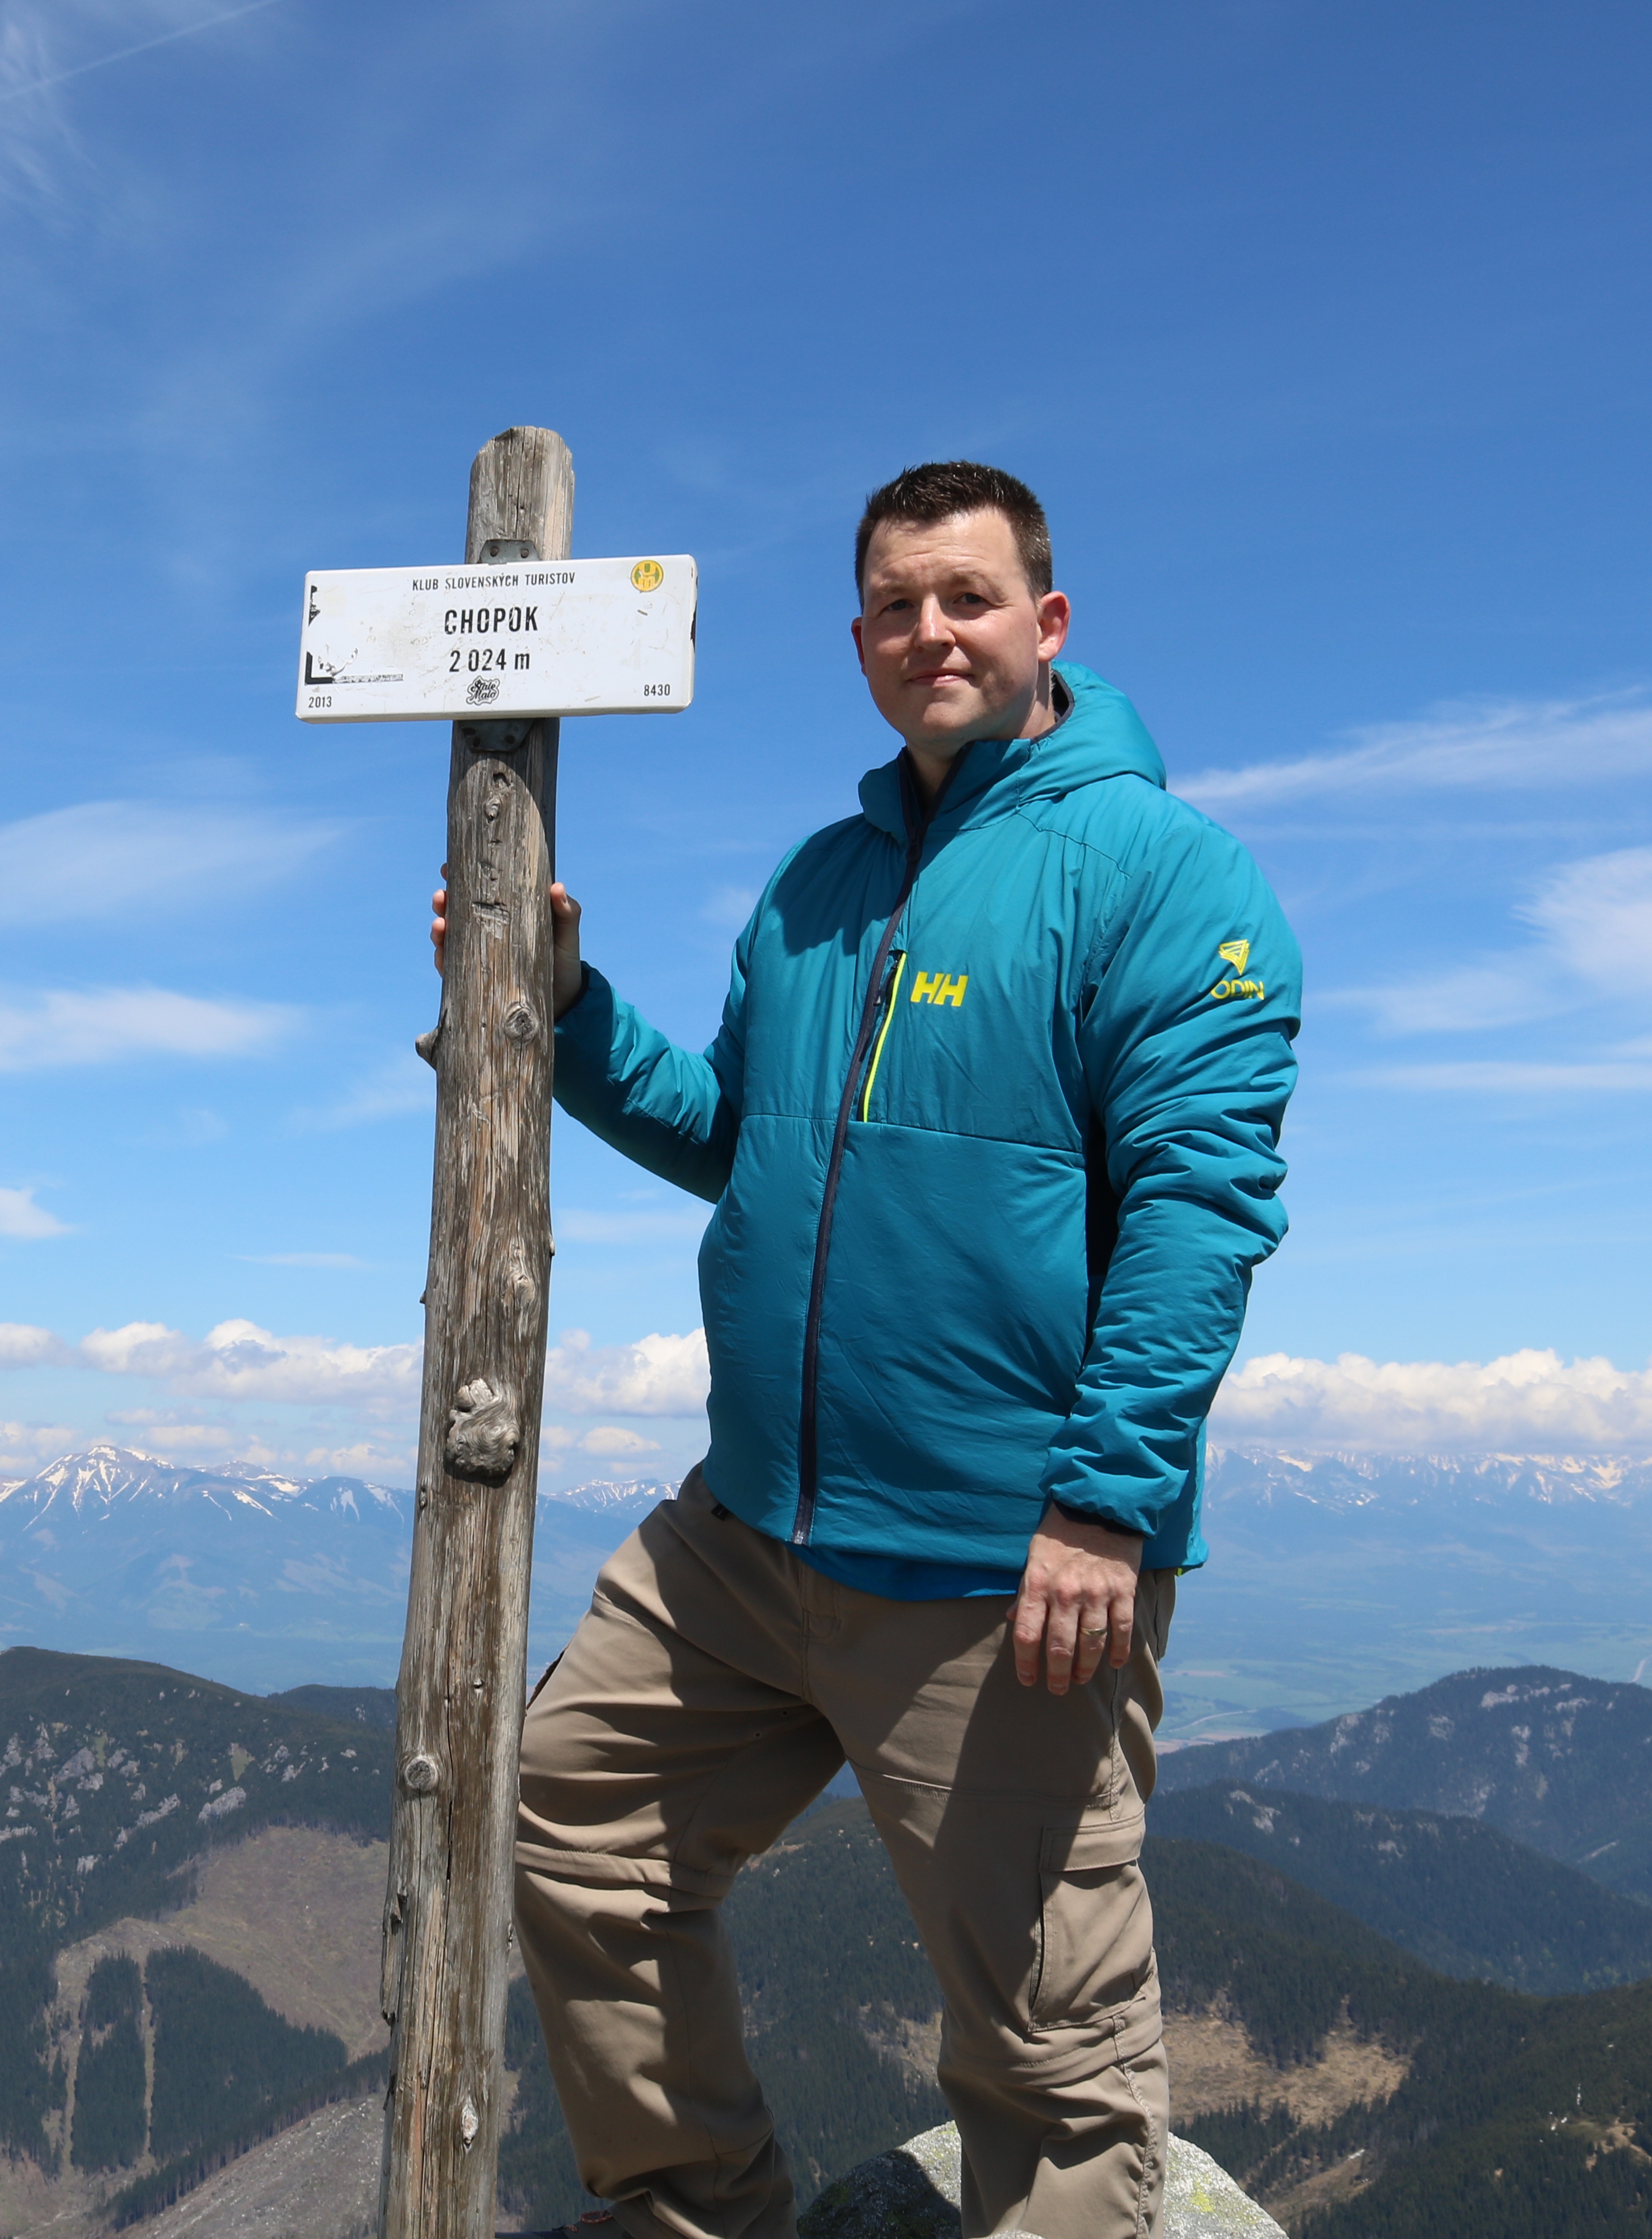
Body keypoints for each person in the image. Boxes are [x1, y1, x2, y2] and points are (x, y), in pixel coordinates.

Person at [452, 461, 1301, 2238]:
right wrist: (570, 1013)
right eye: (898, 605)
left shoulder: (1162, 872)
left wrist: (1102, 1507)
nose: (933, 631)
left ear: (1045, 625)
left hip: (1005, 1568)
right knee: (568, 1822)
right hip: (750, 1534)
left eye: (968, 599)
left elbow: (1198, 1209)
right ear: (858, 641)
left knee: (1049, 2054)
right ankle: (696, 2211)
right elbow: (737, 1131)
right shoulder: (822, 882)